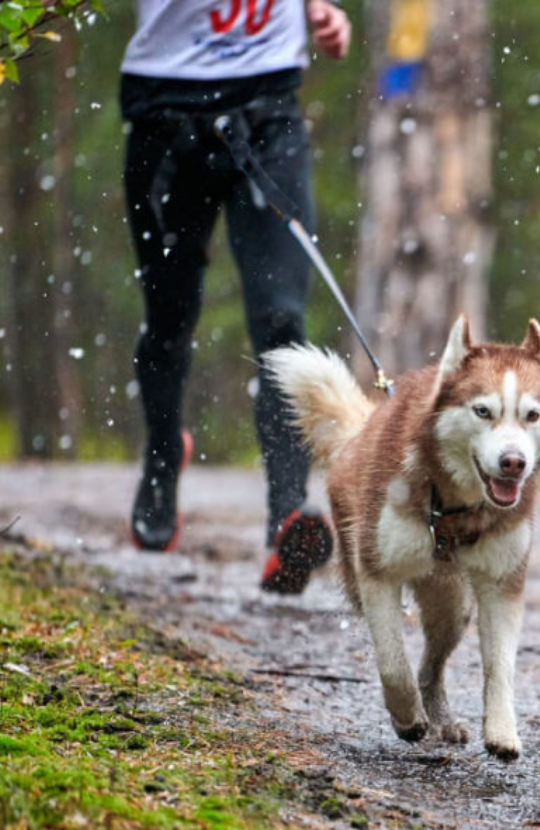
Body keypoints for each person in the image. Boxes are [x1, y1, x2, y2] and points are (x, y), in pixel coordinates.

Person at [121, 0, 351, 594]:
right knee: (169, 318)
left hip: (269, 112)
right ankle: (163, 455)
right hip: (163, 115)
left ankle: (287, 516)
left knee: (282, 318)